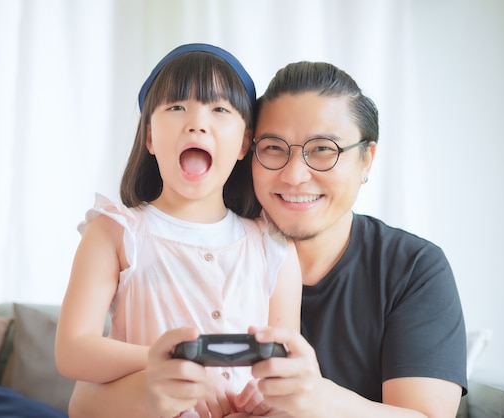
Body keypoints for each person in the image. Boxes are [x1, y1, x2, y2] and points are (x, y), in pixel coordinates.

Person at [67, 60, 467, 418]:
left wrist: (313, 400)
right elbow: (83, 398)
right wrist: (153, 380)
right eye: (274, 148)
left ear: (366, 159)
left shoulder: (412, 269)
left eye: (323, 150)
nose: (295, 175)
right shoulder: (133, 235)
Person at [55, 43, 302, 418]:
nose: (197, 123)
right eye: (176, 107)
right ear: (150, 137)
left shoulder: (273, 246)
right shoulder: (115, 232)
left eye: (219, 109)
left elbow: (285, 355)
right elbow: (72, 350)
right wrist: (163, 363)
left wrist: (270, 392)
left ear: (244, 143)